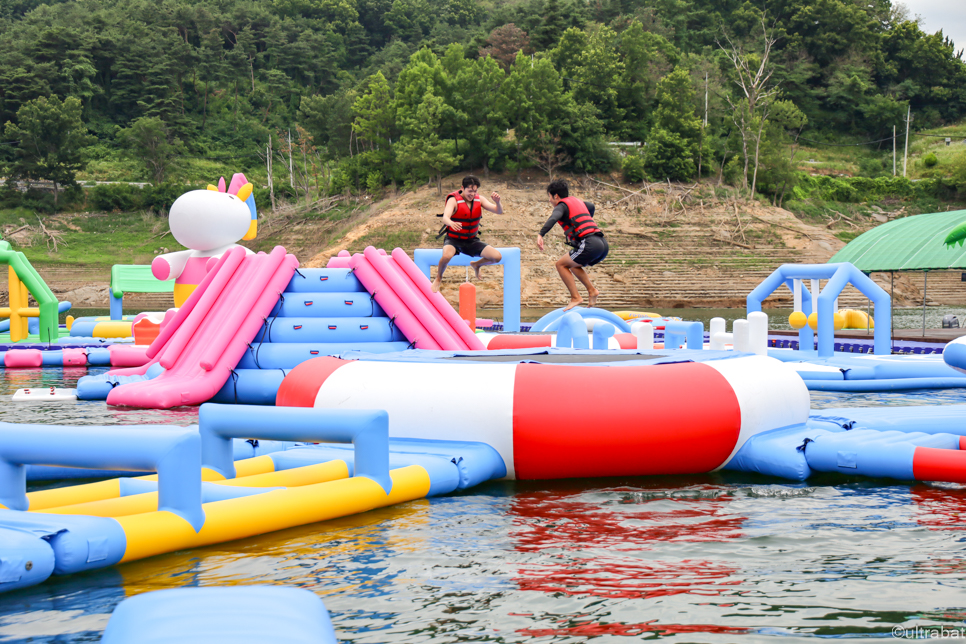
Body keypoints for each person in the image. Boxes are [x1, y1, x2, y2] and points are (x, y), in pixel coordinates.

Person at [536, 179, 608, 311]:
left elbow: (553, 218)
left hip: (590, 244)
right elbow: (591, 206)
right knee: (573, 266)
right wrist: (584, 221)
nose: (550, 201)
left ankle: (575, 297)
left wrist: (541, 234)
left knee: (560, 264)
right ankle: (592, 291)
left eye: (549, 197)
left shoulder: (561, 206)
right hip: (602, 244)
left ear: (555, 196)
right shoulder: (579, 202)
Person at [432, 175, 503, 293]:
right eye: (470, 191)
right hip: (454, 239)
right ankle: (439, 278)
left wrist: (498, 202)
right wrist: (451, 223)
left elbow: (498, 211)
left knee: (497, 257)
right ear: (462, 188)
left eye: (475, 191)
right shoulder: (453, 200)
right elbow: (445, 217)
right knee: (446, 256)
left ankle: (476, 265)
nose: (472, 194)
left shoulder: (479, 200)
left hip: (471, 240)